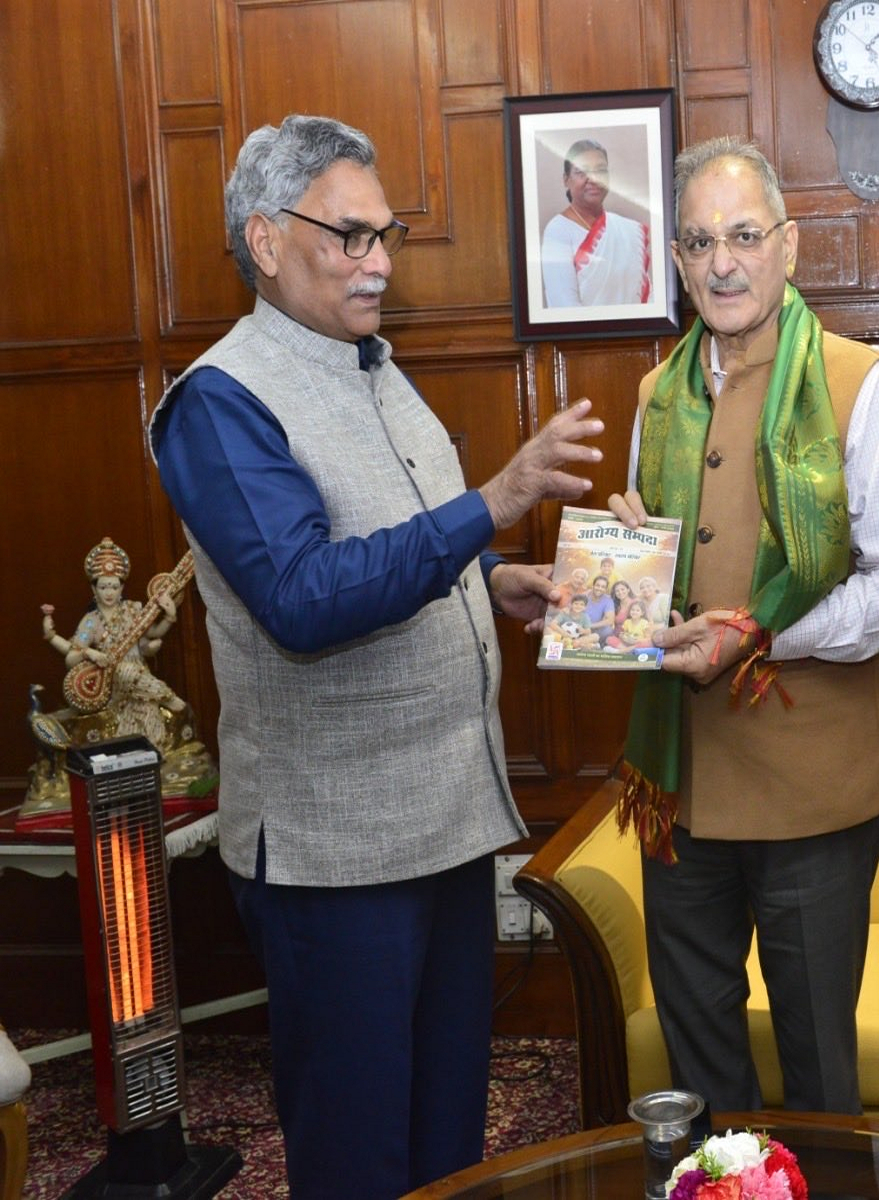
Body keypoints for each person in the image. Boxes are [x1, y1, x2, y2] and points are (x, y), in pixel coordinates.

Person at [146, 114, 604, 1199]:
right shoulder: (220, 403)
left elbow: (394, 536)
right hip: (331, 853)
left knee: (447, 1129)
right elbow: (302, 597)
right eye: (350, 237)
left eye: (385, 235)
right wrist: (492, 505)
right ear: (264, 240)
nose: (380, 263)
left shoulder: (372, 367)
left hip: (439, 820)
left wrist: (494, 580)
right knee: (359, 1150)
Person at [606, 136, 879, 1116]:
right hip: (681, 791)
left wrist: (758, 636)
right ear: (676, 261)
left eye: (744, 236)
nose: (722, 262)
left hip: (811, 802)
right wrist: (622, 569)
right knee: (698, 1061)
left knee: (819, 1076)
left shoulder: (855, 382)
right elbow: (658, 597)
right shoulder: (655, 397)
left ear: (788, 247)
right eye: (701, 241)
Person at [41, 537, 189, 748]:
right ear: (94, 590)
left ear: (121, 587)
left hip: (141, 680)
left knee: (149, 722)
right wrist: (89, 653)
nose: (109, 592)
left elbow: (152, 635)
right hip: (112, 682)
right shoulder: (90, 622)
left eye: (113, 587)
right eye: (103, 587)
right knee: (122, 670)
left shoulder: (134, 610)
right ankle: (167, 696)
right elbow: (72, 656)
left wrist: (169, 617)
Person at [540, 139, 652, 308]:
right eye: (581, 171)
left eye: (600, 170)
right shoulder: (558, 231)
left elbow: (648, 296)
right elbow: (564, 306)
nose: (592, 178)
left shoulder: (627, 230)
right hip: (583, 334)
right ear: (566, 180)